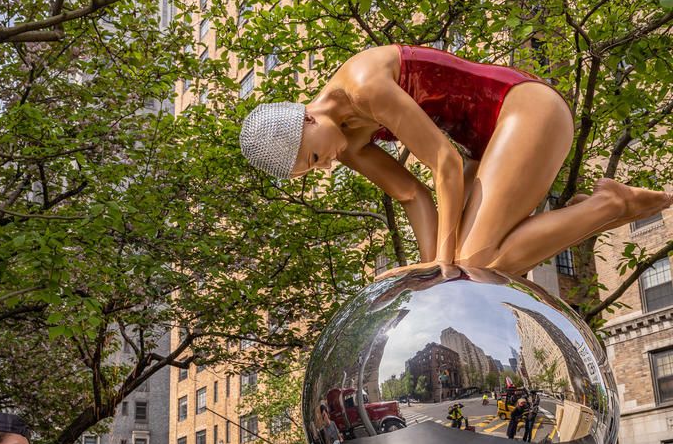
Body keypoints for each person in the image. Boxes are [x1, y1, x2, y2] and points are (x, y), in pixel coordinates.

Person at [239, 44, 671, 276]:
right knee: (467, 272)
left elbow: (443, 162)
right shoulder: (344, 143)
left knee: (474, 263)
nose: (326, 164)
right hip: (485, 148)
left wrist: (443, 262)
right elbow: (411, 194)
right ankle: (598, 209)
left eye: (313, 156)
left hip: (523, 108)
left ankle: (611, 204)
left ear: (307, 117)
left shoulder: (364, 84)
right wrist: (433, 273)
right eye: (314, 168)